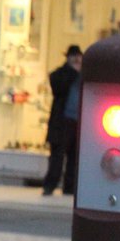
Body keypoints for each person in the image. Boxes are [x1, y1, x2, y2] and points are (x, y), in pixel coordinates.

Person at [43, 44, 82, 196]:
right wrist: (73, 71)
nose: (77, 60)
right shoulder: (62, 74)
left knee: (73, 157)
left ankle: (69, 187)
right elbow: (57, 86)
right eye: (74, 57)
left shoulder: (84, 74)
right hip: (63, 122)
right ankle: (50, 185)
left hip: (77, 122)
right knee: (57, 156)